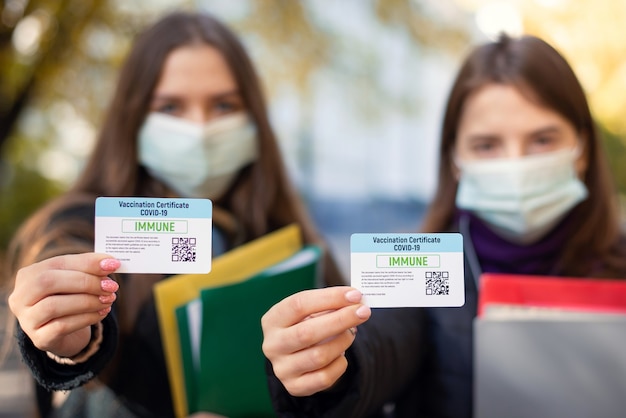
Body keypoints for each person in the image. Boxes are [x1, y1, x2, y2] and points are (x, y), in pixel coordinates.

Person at [261, 33, 626, 417]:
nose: (514, 164)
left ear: (582, 149)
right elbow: (382, 340)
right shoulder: (424, 264)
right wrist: (328, 365)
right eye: (487, 145)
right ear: (454, 159)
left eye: (542, 140)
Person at [5, 10, 344, 418]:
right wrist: (70, 334)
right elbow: (75, 301)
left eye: (223, 105)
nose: (199, 129)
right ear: (133, 118)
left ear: (254, 119)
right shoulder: (84, 224)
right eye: (170, 107)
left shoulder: (283, 234)